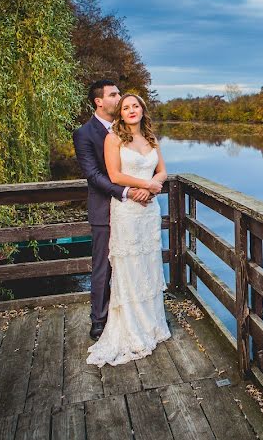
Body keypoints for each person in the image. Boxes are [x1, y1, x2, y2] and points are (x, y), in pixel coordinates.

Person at [87, 93, 172, 366]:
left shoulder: (151, 138)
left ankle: (151, 326)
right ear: (120, 113)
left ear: (142, 110)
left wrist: (153, 184)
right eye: (126, 107)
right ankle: (132, 330)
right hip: (126, 211)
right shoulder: (113, 138)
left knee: (148, 264)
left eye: (136, 106)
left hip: (148, 212)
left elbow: (162, 172)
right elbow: (115, 176)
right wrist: (145, 185)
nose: (131, 110)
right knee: (129, 265)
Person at [73, 80, 153, 341]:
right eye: (114, 94)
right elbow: (94, 175)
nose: (119, 98)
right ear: (99, 101)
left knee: (134, 263)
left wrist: (149, 186)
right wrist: (128, 191)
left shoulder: (131, 131)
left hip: (136, 210)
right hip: (105, 210)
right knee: (103, 267)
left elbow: (144, 165)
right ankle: (99, 319)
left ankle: (133, 315)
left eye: (120, 94)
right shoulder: (84, 133)